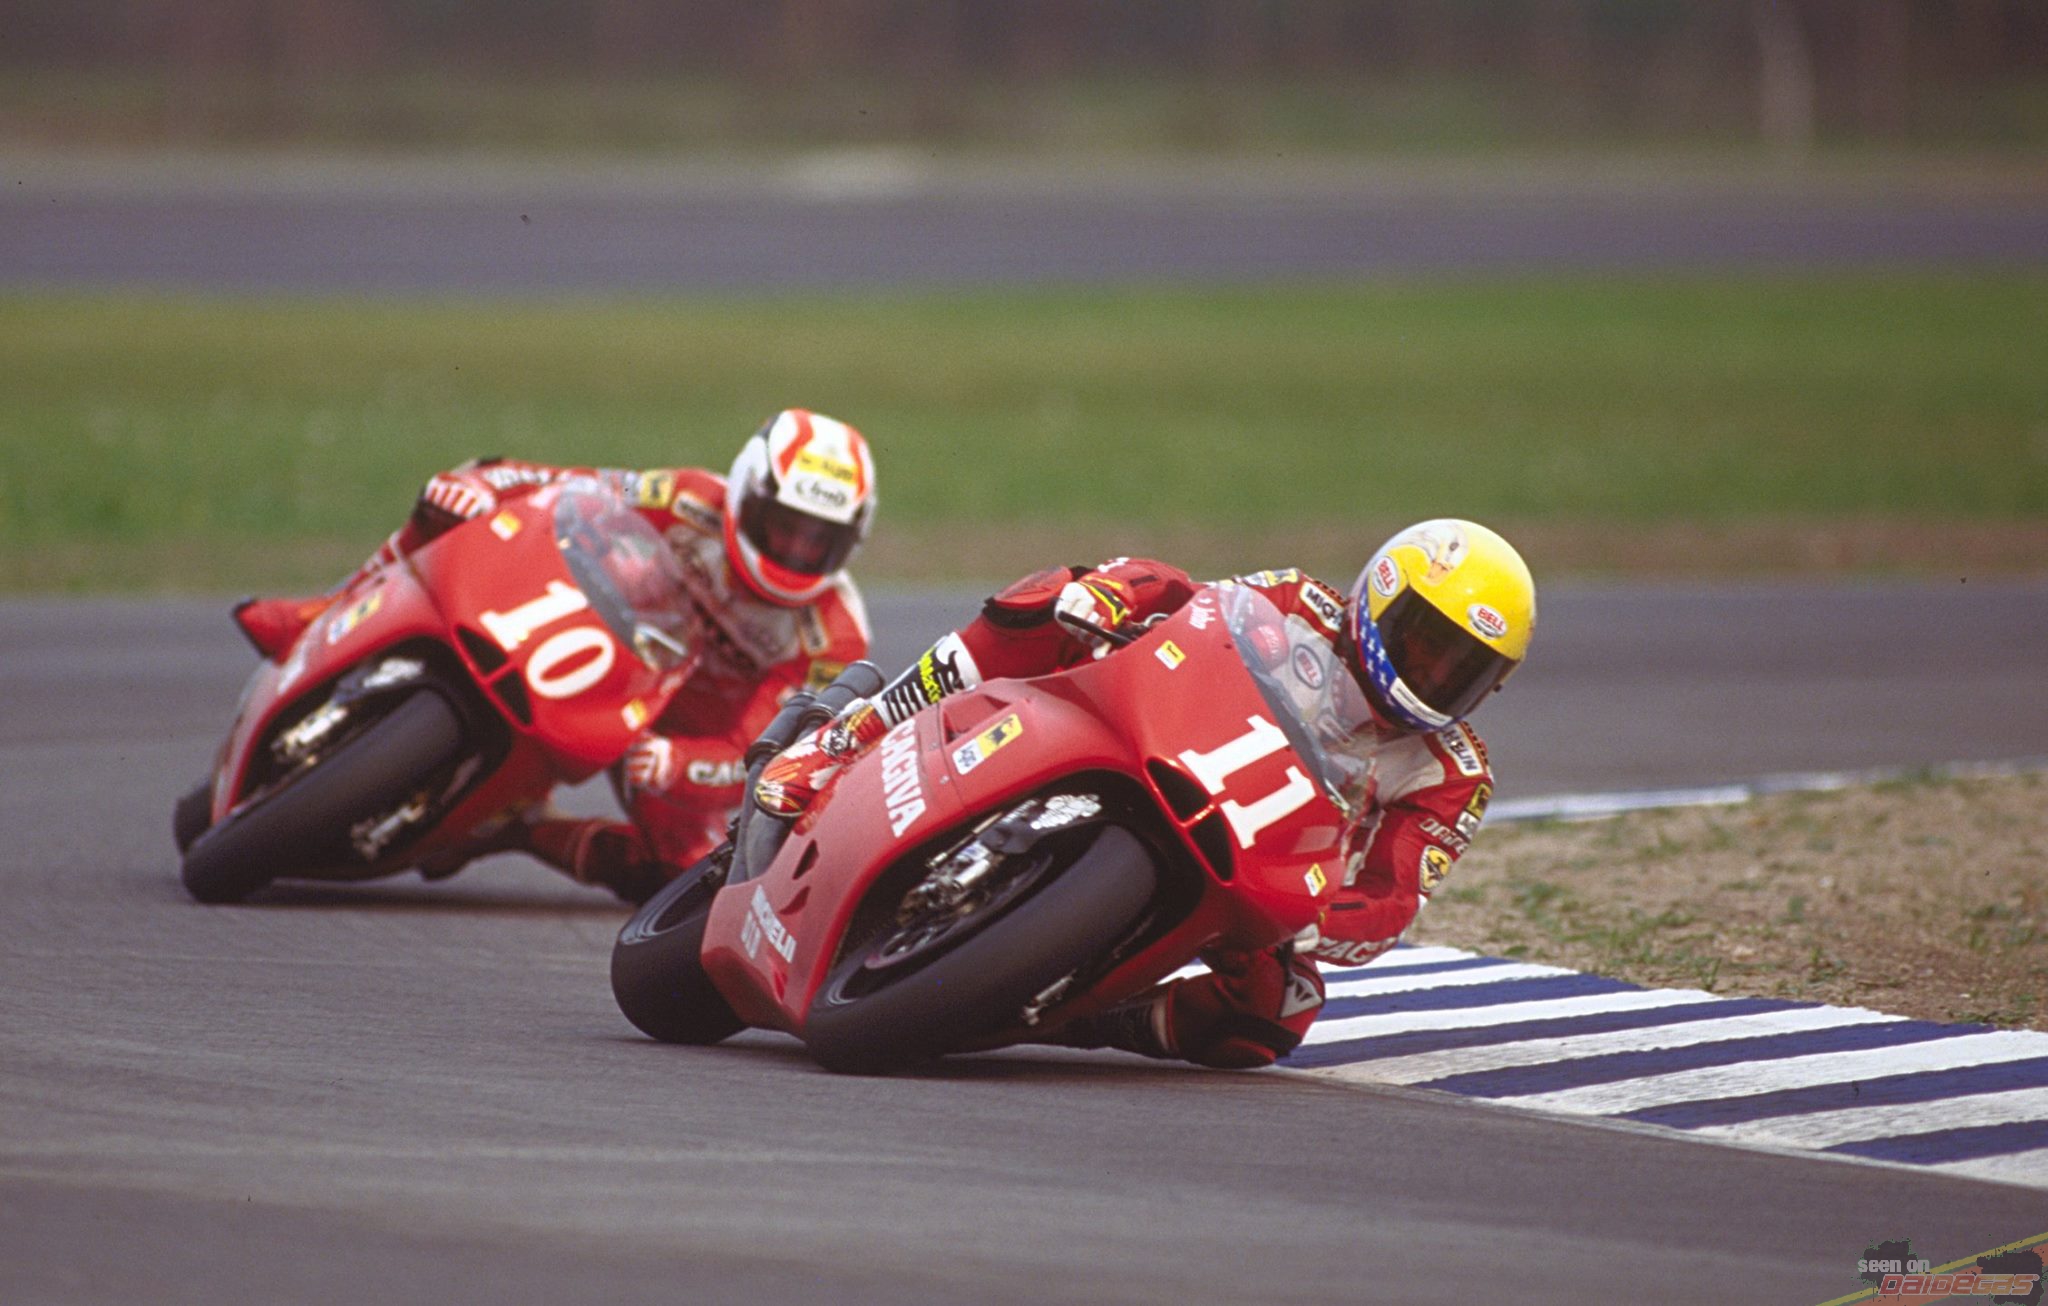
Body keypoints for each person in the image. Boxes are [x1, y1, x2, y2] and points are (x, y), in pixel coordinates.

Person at [754, 520, 1535, 1069]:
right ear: (1382, 595)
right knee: (1050, 599)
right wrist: (1116, 596)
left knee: (1274, 1019)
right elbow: (1190, 601)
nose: (1431, 676)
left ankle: (1091, 1019)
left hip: (1259, 874)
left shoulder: (1452, 773)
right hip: (1157, 740)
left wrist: (1314, 919)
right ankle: (847, 737)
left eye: (1460, 670)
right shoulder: (1302, 602)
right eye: (1425, 644)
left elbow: (1391, 902)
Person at [233, 409, 877, 903]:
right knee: (442, 509)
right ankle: (321, 613)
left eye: (818, 539)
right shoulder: (683, 500)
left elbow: (771, 756)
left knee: (685, 877)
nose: (795, 547)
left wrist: (679, 764)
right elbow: (565, 489)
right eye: (783, 523)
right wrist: (484, 487)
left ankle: (520, 829)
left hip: (674, 738)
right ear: (745, 494)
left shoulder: (833, 637)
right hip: (605, 649)